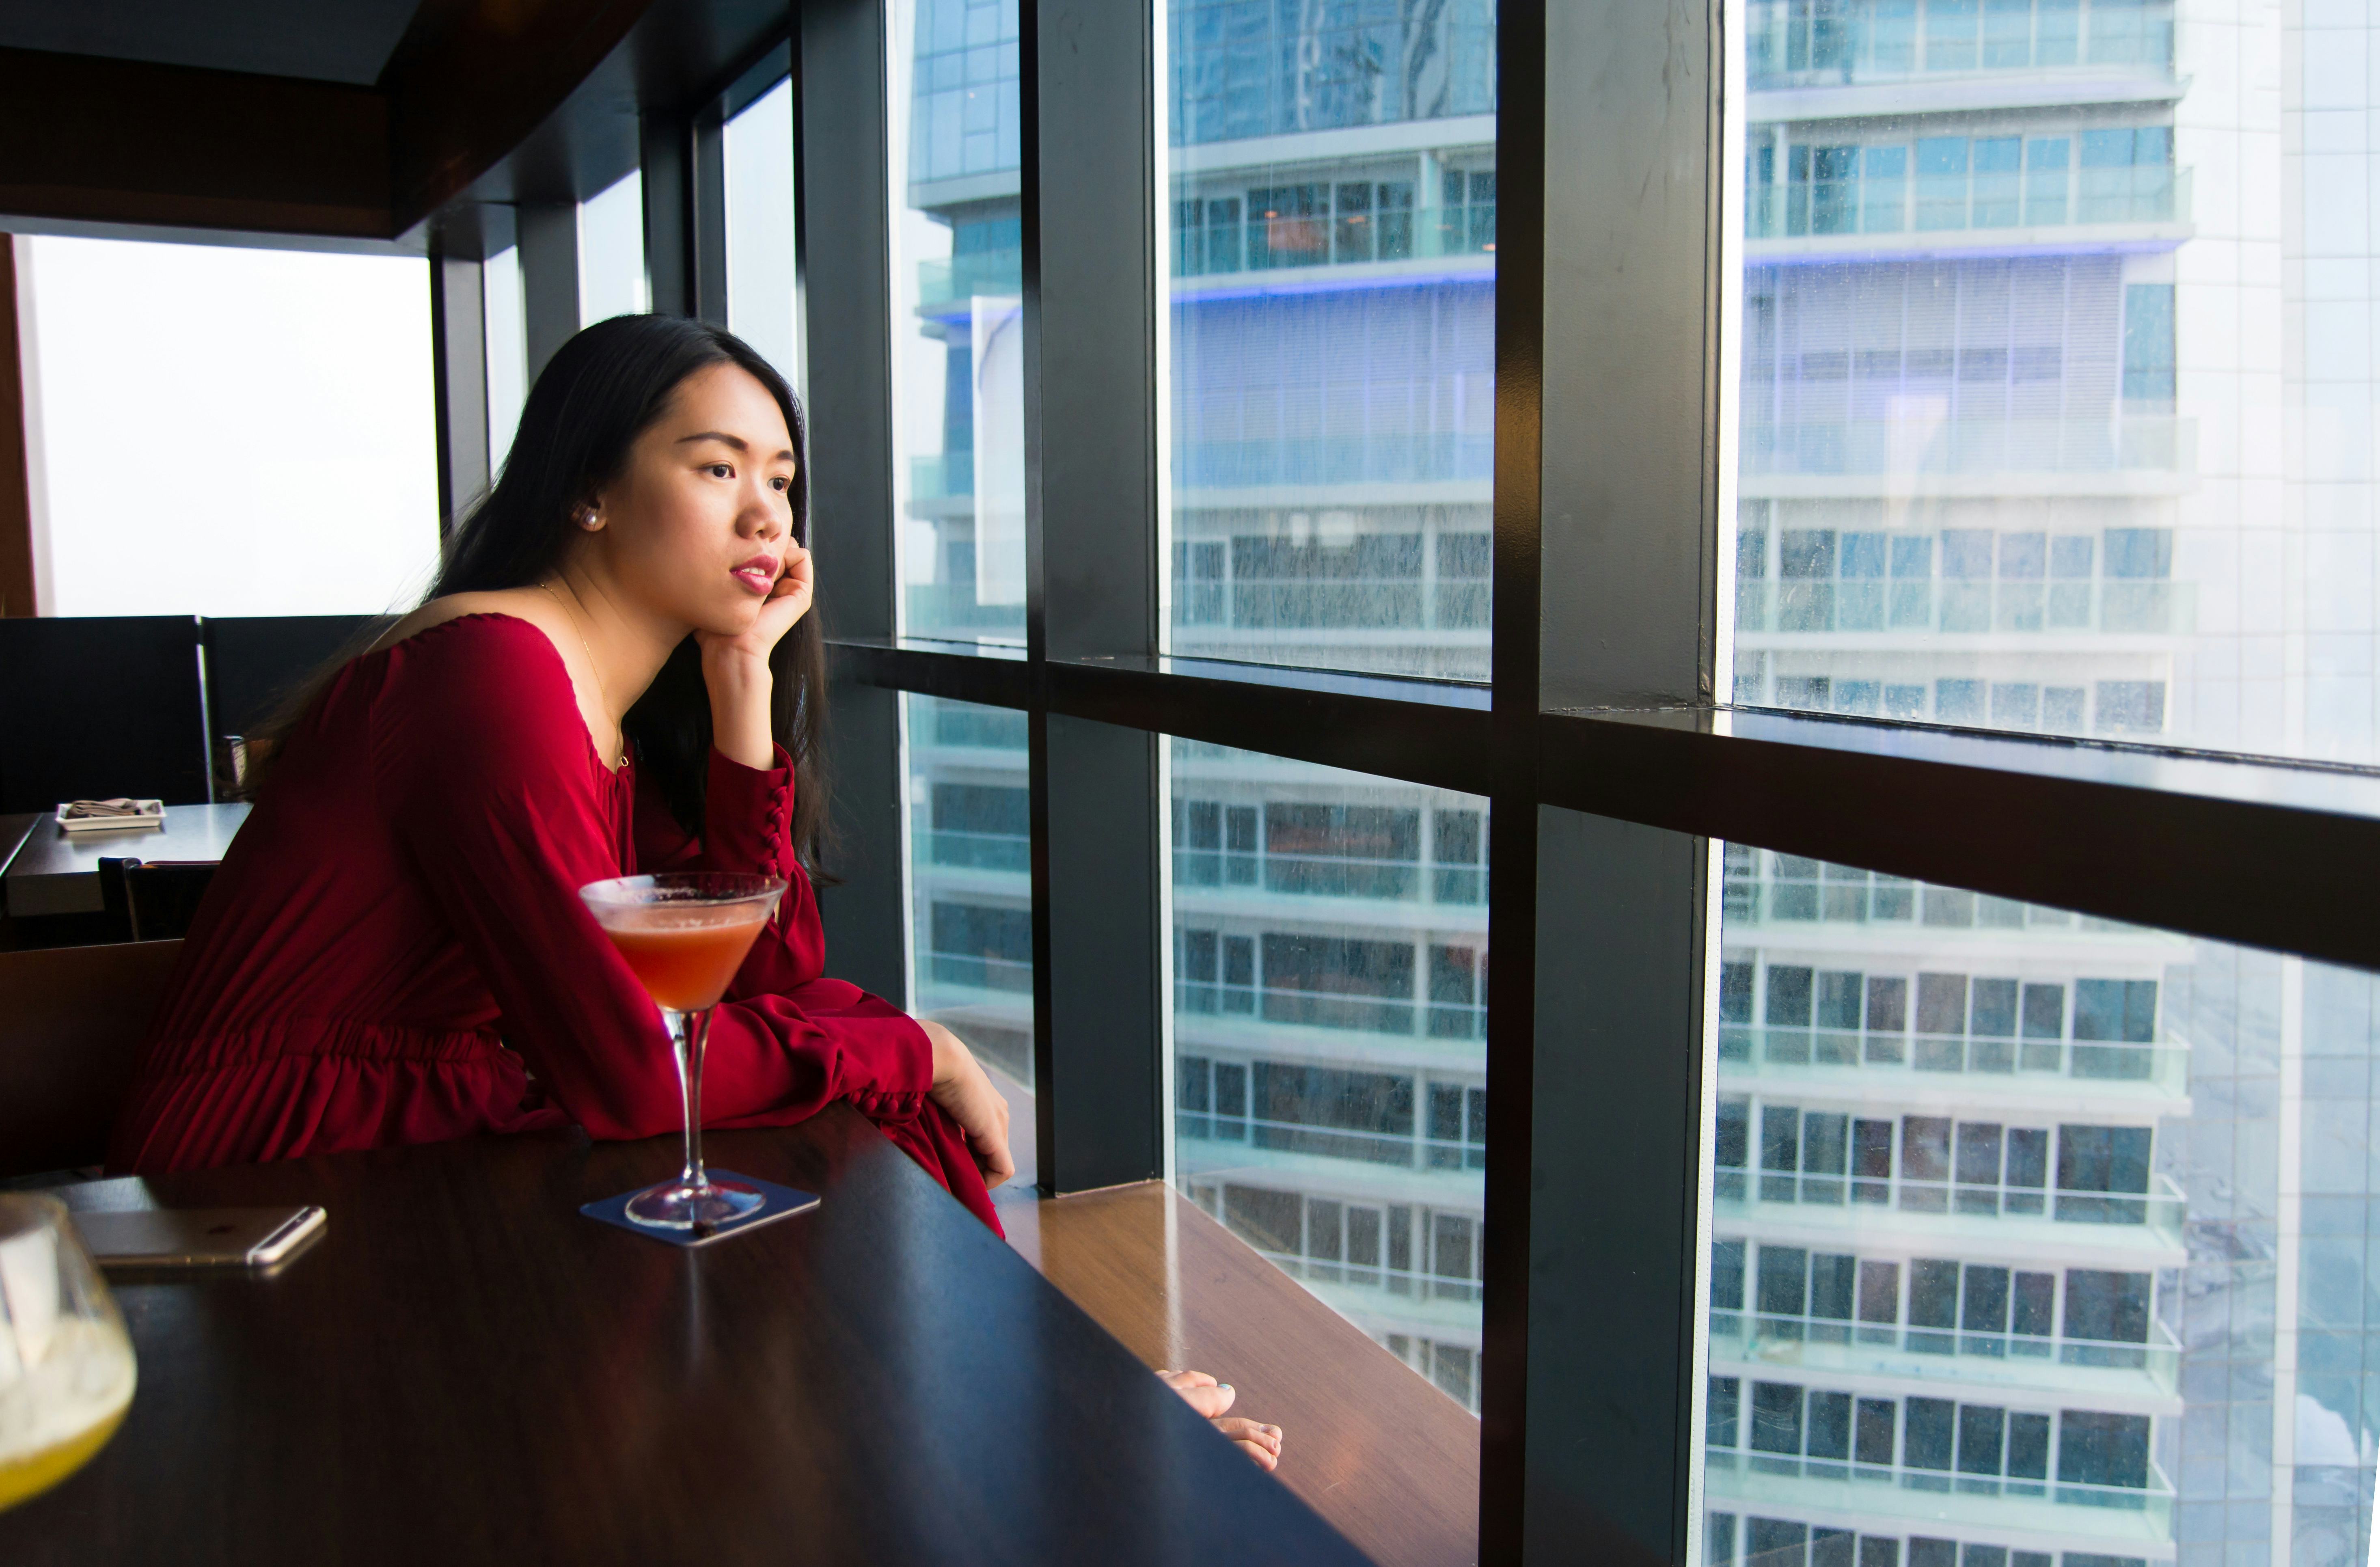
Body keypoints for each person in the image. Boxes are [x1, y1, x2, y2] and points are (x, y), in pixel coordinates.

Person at [106, 314, 1281, 1470]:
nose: (766, 512)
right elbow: (634, 1068)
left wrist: (741, 685)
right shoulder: (495, 678)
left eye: (781, 477)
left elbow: (764, 968)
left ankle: (1017, 1427)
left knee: (852, 1113)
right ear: (589, 492)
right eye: (717, 466)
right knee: (872, 1093)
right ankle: (1033, 1435)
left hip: (424, 1131)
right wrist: (918, 1046)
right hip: (284, 1166)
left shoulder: (596, 699)